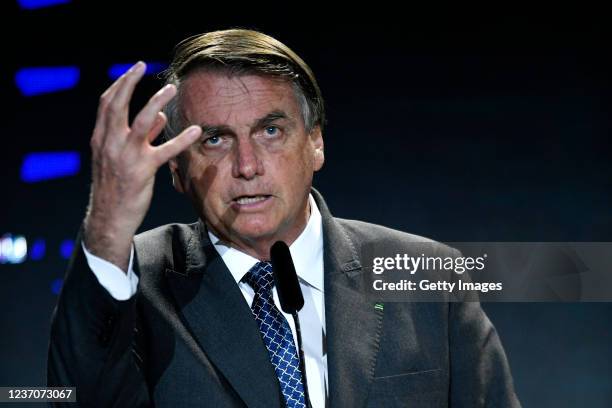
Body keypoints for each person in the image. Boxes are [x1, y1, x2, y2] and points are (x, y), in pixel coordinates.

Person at [47, 29, 521, 407]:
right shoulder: (138, 285)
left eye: (270, 130)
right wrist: (108, 222)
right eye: (215, 139)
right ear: (177, 168)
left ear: (315, 142)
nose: (247, 165)